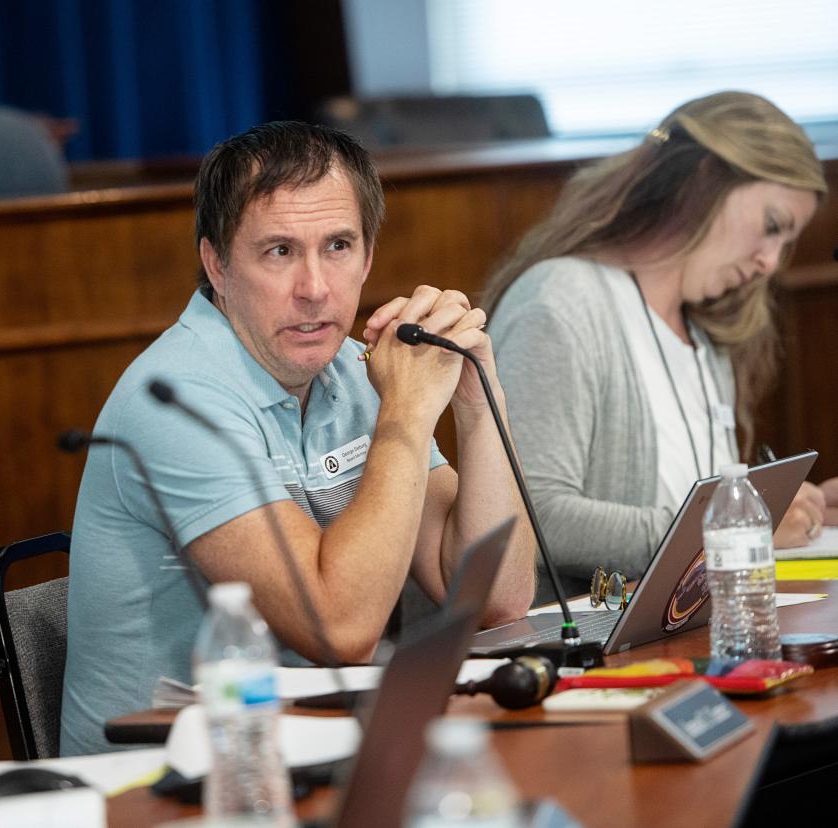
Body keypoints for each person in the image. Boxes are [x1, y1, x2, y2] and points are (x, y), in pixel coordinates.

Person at [60, 121, 536, 756]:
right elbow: (338, 628)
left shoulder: (351, 371)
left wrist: (479, 406)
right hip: (160, 786)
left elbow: (494, 597)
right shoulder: (177, 398)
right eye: (279, 251)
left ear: (369, 257)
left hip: (305, 751)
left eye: (338, 245)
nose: (315, 288)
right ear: (217, 265)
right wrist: (406, 415)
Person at [484, 91, 832, 599]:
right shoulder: (560, 300)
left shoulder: (705, 328)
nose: (771, 264)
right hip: (586, 652)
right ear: (703, 180)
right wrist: (732, 529)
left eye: (785, 243)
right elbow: (534, 516)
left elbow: (688, 502)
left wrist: (789, 506)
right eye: (772, 227)